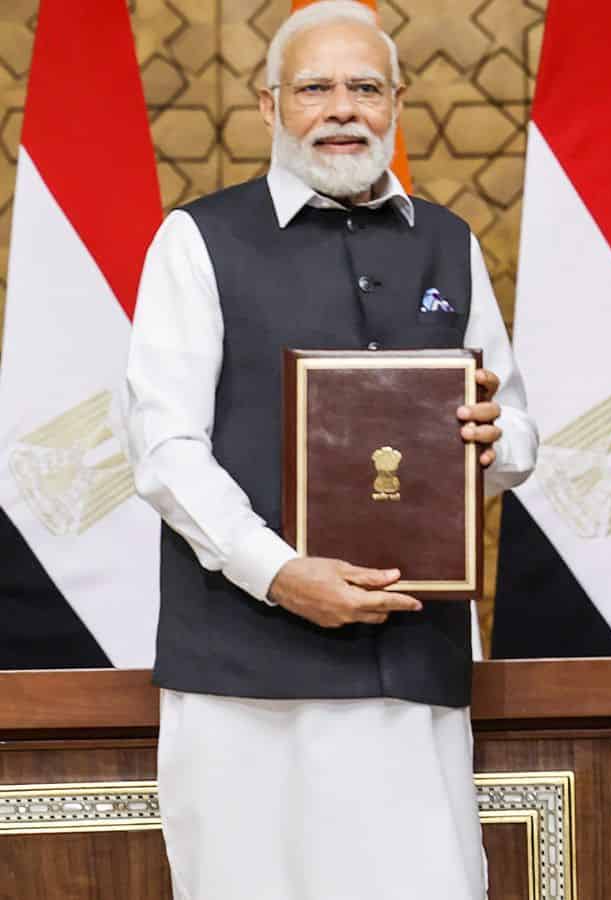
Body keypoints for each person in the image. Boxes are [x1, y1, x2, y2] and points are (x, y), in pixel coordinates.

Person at [124, 2, 537, 897]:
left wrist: (494, 442)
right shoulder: (198, 240)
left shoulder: (450, 242)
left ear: (397, 104)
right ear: (269, 107)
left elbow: (515, 437)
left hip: (410, 670)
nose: (341, 109)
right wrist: (277, 571)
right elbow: (165, 449)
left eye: (365, 88)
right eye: (314, 88)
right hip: (246, 674)